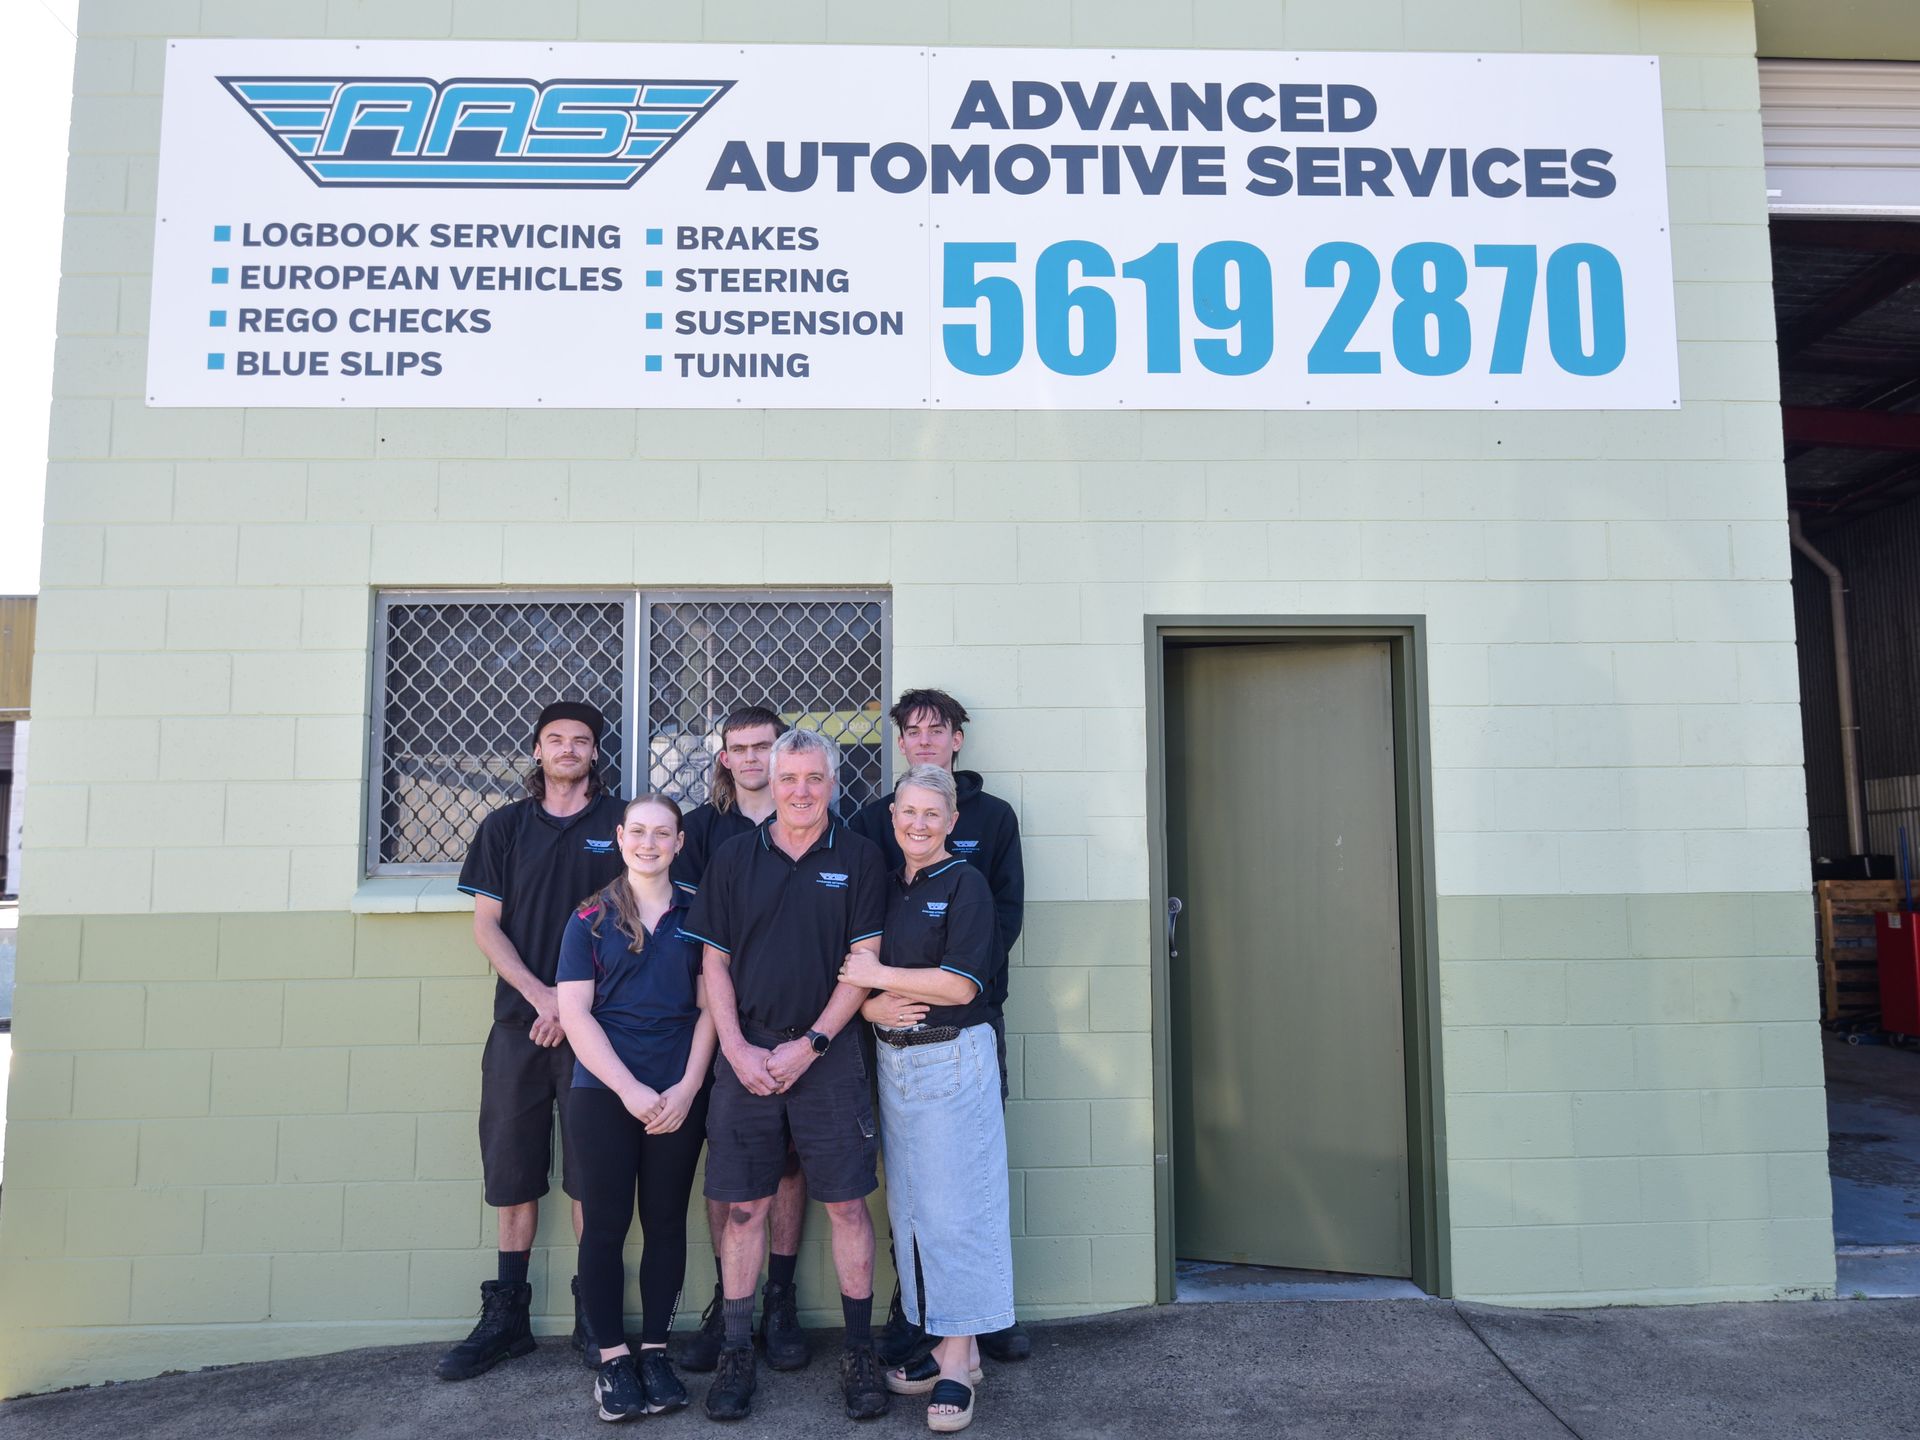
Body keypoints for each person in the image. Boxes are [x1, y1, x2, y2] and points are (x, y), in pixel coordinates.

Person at [680, 727, 891, 1422]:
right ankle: (739, 1352)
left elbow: (864, 963)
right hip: (749, 1055)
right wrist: (736, 1050)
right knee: (744, 1208)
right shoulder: (736, 858)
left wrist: (816, 1043)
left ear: (833, 783)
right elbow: (713, 963)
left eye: (815, 778)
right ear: (769, 780)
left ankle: (861, 1353)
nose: (801, 791)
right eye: (789, 778)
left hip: (829, 1060)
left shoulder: (859, 858)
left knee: (846, 1206)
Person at [439, 700, 627, 1381]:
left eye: (581, 741)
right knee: (512, 1172)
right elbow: (487, 927)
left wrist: (573, 1006)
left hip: (597, 1032)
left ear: (596, 753)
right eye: (556, 739)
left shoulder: (620, 823)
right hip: (520, 1025)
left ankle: (592, 1315)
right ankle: (507, 1317)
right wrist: (541, 997)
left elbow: (639, 924)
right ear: (538, 749)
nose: (569, 749)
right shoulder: (504, 826)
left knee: (589, 1176)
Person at [848, 689, 1029, 1366]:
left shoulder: (992, 822)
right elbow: (866, 919)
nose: (925, 740)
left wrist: (955, 970)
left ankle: (983, 1320)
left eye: (937, 730)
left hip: (965, 1022)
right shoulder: (873, 823)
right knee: (915, 1184)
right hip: (892, 1030)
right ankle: (920, 1312)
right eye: (913, 731)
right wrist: (874, 1000)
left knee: (970, 1177)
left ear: (957, 739)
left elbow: (999, 919)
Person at [558, 794, 716, 1422]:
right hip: (604, 1094)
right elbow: (574, 1012)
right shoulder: (589, 917)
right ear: (620, 838)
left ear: (680, 843)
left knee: (666, 1223)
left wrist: (685, 1089)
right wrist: (628, 1089)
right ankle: (614, 1360)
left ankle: (654, 1351)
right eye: (639, 832)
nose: (650, 843)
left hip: (677, 1095)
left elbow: (711, 1008)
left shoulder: (701, 913)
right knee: (604, 1225)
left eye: (663, 833)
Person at [669, 706, 813, 1374]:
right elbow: (699, 939)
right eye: (740, 749)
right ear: (723, 757)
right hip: (719, 1027)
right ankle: (728, 1310)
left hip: (799, 1032)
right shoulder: (702, 833)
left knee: (790, 1167)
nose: (753, 759)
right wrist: (722, 1031)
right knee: (725, 1173)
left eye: (764, 747)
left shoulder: (816, 825)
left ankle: (778, 1302)